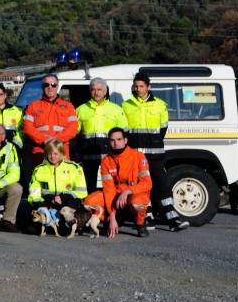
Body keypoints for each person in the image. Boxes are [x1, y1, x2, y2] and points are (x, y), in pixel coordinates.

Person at [122, 72, 188, 231]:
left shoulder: (160, 105)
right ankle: (147, 217)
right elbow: (125, 131)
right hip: (136, 156)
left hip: (155, 154)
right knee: (142, 187)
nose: (138, 89)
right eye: (136, 86)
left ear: (148, 87)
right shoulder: (126, 105)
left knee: (162, 185)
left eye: (142, 86)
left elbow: (163, 129)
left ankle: (172, 218)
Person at [83, 128, 154, 238]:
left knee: (138, 202)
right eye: (112, 140)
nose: (115, 143)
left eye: (119, 139)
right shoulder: (106, 161)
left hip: (133, 194)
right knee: (89, 202)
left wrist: (128, 191)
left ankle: (140, 224)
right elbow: (109, 190)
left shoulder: (139, 156)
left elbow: (147, 183)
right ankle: (111, 220)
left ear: (125, 140)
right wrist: (112, 216)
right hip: (115, 197)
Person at [75, 77, 129, 190]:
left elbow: (124, 132)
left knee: (111, 184)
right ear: (90, 91)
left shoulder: (116, 109)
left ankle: (111, 206)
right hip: (87, 154)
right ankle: (90, 206)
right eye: (93, 89)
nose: (96, 92)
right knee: (88, 185)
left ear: (105, 91)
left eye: (99, 89)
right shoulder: (80, 110)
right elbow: (75, 133)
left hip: (109, 154)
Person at [22, 75, 78, 167]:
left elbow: (72, 129)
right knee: (41, 179)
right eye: (46, 85)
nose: (50, 87)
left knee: (62, 180)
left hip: (61, 151)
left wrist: (55, 141)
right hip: (40, 151)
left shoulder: (68, 107)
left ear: (57, 86)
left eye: (53, 84)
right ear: (42, 87)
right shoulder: (33, 106)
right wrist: (44, 140)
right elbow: (28, 128)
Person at [27, 137, 88, 212]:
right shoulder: (39, 170)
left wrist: (62, 197)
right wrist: (40, 205)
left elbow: (82, 192)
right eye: (50, 153)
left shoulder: (74, 168)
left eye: (56, 154)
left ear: (62, 153)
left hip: (68, 203)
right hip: (47, 203)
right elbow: (34, 193)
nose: (52, 156)